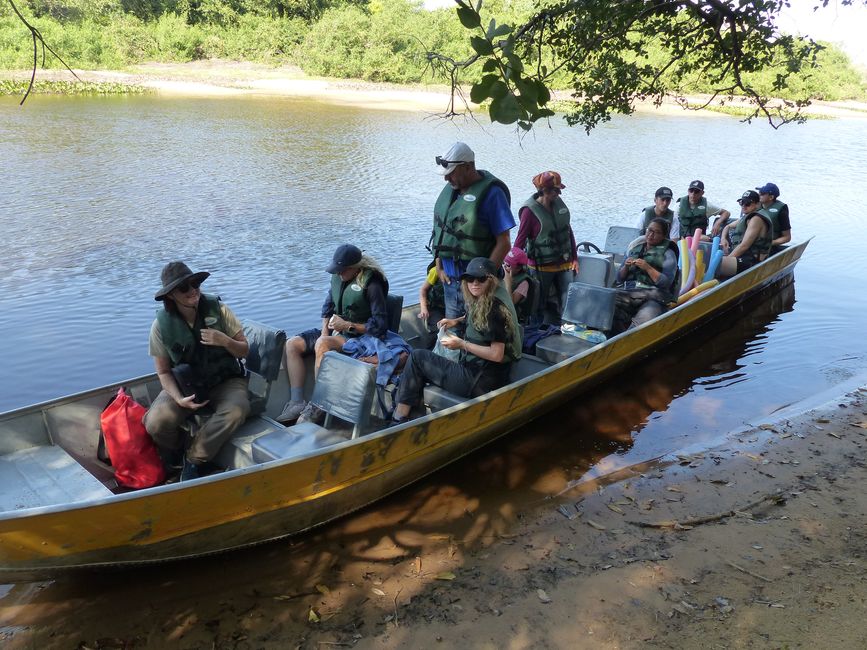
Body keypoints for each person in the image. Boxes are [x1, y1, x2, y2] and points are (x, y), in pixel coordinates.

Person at [144, 261, 250, 481]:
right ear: (171, 295)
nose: (193, 290)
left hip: (226, 381)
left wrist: (225, 341)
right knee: (155, 422)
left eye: (195, 284)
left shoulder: (219, 310)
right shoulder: (160, 326)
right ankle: (177, 454)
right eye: (184, 287)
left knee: (237, 409)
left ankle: (194, 459)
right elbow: (163, 372)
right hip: (187, 385)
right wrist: (178, 399)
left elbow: (244, 351)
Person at [391, 257, 522, 423]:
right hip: (478, 375)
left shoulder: (494, 311)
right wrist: (456, 321)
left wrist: (462, 344)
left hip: (478, 382)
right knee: (421, 363)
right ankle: (413, 413)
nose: (474, 283)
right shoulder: (484, 301)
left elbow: (497, 354)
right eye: (470, 278)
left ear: (491, 281)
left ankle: (399, 418)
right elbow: (475, 319)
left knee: (417, 358)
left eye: (481, 279)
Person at [277, 244, 389, 424]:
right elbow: (327, 309)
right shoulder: (338, 279)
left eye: (342, 271)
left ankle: (319, 404)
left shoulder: (372, 284)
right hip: (337, 331)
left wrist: (348, 325)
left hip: (360, 338)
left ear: (355, 268)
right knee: (292, 344)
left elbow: (381, 326)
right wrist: (324, 333)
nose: (338, 274)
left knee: (323, 344)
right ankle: (297, 401)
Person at [430, 142, 515, 319]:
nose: (446, 179)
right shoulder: (452, 190)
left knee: (478, 334)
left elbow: (504, 242)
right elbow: (442, 233)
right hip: (450, 282)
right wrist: (439, 266)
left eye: (451, 173)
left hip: (477, 284)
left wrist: (485, 279)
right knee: (453, 335)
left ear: (468, 167)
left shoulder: (492, 194)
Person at [514, 171, 579, 324]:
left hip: (564, 264)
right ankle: (536, 332)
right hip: (540, 268)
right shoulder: (529, 212)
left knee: (568, 300)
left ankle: (566, 330)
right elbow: (520, 241)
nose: (559, 193)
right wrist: (513, 266)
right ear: (544, 191)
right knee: (538, 304)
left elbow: (568, 232)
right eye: (555, 190)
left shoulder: (559, 205)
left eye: (559, 190)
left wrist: (575, 258)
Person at [613, 218, 679, 333]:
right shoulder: (635, 248)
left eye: (656, 232)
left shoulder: (669, 254)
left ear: (664, 236)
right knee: (607, 299)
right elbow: (619, 278)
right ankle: (611, 334)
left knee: (647, 317)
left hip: (654, 296)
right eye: (649, 230)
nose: (651, 234)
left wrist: (647, 268)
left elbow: (666, 282)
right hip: (630, 292)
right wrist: (626, 267)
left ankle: (629, 339)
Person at [718, 190, 773, 277]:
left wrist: (727, 259)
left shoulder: (756, 219)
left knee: (716, 264)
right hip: (741, 256)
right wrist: (723, 238)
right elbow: (728, 227)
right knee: (708, 258)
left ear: (757, 204)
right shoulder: (747, 216)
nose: (743, 206)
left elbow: (744, 246)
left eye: (747, 203)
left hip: (752, 261)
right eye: (741, 202)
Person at [756, 182, 792, 252]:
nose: (759, 195)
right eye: (759, 192)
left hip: (768, 247)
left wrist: (770, 243)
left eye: (762, 193)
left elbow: (787, 237)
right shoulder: (754, 205)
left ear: (771, 197)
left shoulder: (781, 210)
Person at [502, 246, 534, 325]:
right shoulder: (501, 274)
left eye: (508, 265)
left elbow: (511, 303)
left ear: (518, 268)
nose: (504, 267)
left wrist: (508, 282)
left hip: (514, 318)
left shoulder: (524, 283)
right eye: (503, 263)